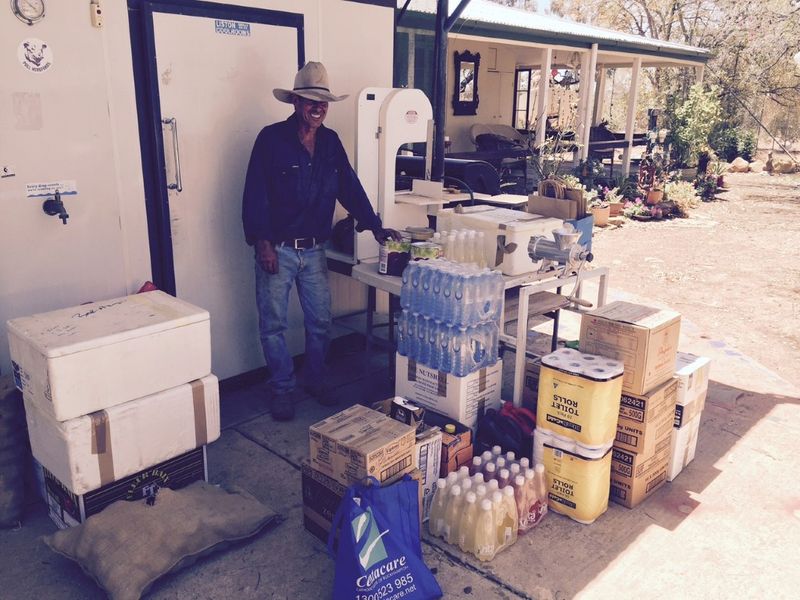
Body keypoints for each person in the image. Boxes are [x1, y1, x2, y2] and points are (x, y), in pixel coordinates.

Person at [242, 62, 399, 421]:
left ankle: (315, 378)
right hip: (277, 249)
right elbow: (254, 194)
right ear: (295, 102)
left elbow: (349, 186)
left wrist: (375, 225)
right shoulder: (270, 139)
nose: (318, 107)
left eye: (323, 101)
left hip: (313, 250)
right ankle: (282, 388)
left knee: (320, 323)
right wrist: (261, 243)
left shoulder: (330, 142)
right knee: (273, 326)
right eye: (311, 99)